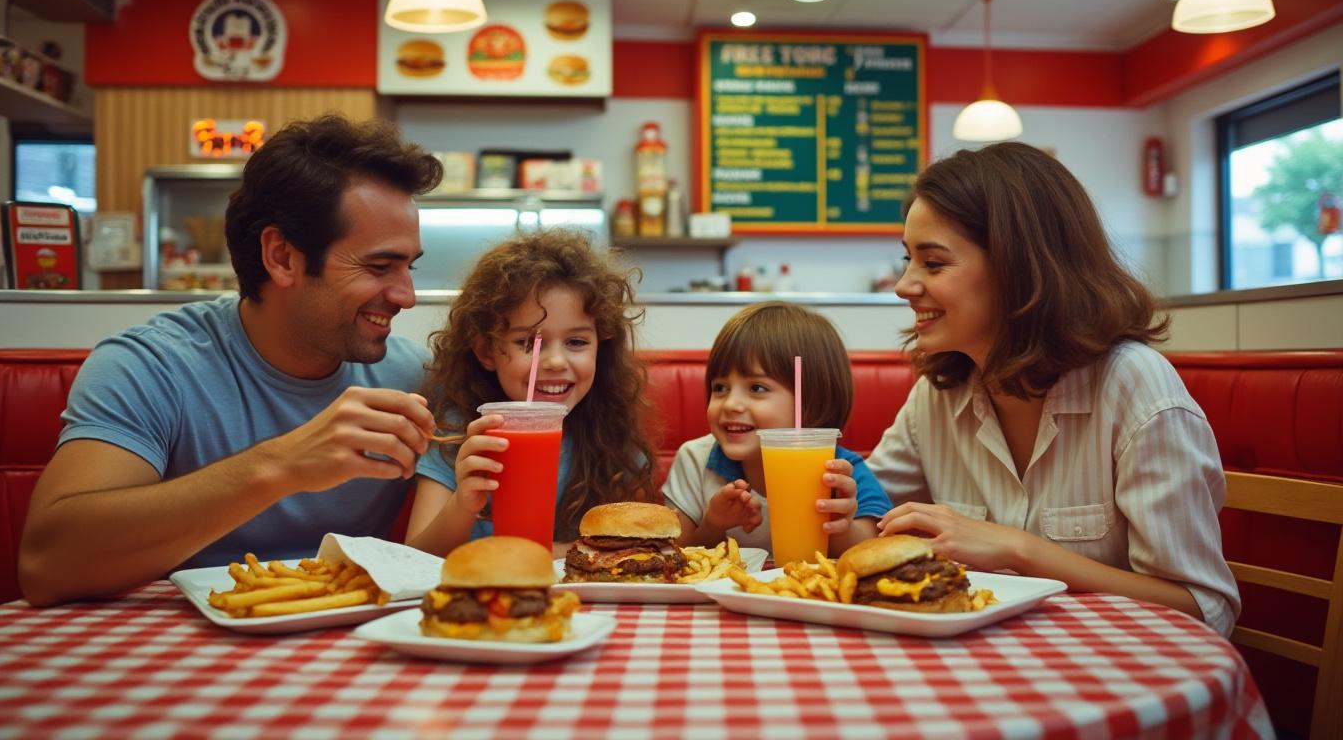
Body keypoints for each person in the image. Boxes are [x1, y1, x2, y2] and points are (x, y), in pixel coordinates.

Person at [19, 115, 444, 606]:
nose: (406, 296)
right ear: (282, 257)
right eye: (378, 266)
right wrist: (280, 465)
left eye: (408, 267)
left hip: (360, 651)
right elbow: (46, 564)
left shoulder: (413, 380)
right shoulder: (152, 366)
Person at [866, 142, 1240, 636]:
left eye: (933, 264)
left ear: (1018, 269)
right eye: (907, 260)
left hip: (1111, 678)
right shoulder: (940, 392)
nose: (904, 285)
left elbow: (1202, 609)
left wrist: (1018, 548)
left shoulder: (1135, 388)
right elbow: (867, 522)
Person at [410, 229, 657, 554]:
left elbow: (634, 548)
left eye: (577, 342)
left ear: (601, 348)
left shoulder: (610, 434)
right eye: (529, 343)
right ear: (486, 351)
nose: (555, 361)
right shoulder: (460, 434)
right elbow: (414, 556)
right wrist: (463, 504)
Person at [662, 301, 892, 555]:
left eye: (757, 388)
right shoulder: (695, 460)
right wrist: (713, 525)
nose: (730, 404)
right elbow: (673, 554)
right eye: (720, 388)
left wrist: (840, 525)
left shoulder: (840, 471)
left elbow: (871, 549)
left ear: (811, 404)